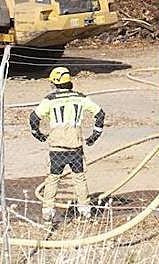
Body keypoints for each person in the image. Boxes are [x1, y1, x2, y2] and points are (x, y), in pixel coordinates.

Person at [30, 65, 106, 223]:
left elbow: (34, 118)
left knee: (53, 178)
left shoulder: (49, 100)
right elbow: (99, 113)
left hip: (57, 147)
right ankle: (85, 210)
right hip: (75, 147)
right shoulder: (80, 97)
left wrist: (38, 135)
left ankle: (48, 211)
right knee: (79, 178)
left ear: (54, 84)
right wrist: (94, 135)